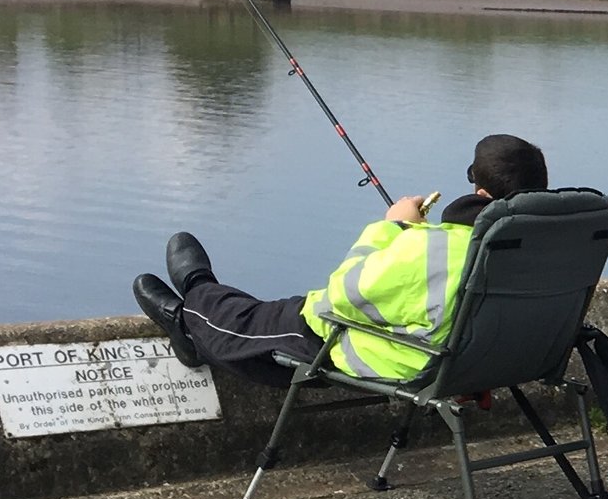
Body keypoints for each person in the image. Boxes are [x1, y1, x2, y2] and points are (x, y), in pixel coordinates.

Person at [130, 134, 549, 386]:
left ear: (478, 193)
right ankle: (194, 306)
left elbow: (339, 297)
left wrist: (395, 228)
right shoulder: (548, 247)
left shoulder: (433, 248)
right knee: (279, 312)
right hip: (496, 361)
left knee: (252, 324)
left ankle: (191, 305)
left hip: (399, 357)